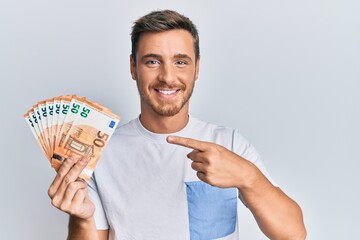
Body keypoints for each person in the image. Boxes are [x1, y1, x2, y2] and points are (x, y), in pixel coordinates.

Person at [47, 10, 306, 240]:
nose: (168, 77)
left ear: (196, 69)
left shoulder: (229, 143)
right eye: (152, 61)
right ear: (133, 67)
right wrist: (81, 218)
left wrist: (248, 177)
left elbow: (293, 234)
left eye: (181, 62)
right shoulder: (100, 154)